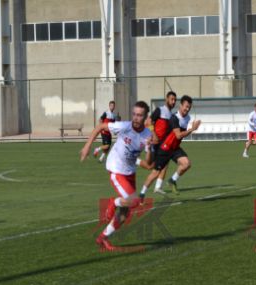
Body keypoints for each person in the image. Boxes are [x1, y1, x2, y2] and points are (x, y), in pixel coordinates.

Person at [80, 101, 154, 250]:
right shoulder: (125, 126)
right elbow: (101, 126)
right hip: (116, 168)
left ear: (145, 117)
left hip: (129, 172)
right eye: (134, 114)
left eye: (140, 115)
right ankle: (114, 202)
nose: (136, 118)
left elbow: (150, 163)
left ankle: (102, 238)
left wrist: (151, 148)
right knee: (134, 201)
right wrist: (88, 146)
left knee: (125, 214)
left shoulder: (148, 135)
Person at [142, 95, 200, 196]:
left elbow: (179, 136)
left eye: (189, 107)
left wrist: (190, 129)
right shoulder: (174, 118)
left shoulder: (188, 117)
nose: (187, 109)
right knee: (155, 171)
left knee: (186, 163)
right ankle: (142, 193)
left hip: (175, 148)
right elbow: (178, 136)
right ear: (181, 105)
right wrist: (191, 129)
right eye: (186, 106)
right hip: (165, 148)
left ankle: (172, 181)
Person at [139, 91, 176, 195]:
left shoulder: (172, 115)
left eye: (174, 100)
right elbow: (150, 120)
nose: (173, 102)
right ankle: (135, 161)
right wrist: (154, 134)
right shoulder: (160, 110)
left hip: (163, 145)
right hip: (155, 142)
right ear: (167, 99)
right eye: (171, 99)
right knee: (150, 166)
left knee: (165, 165)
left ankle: (157, 188)